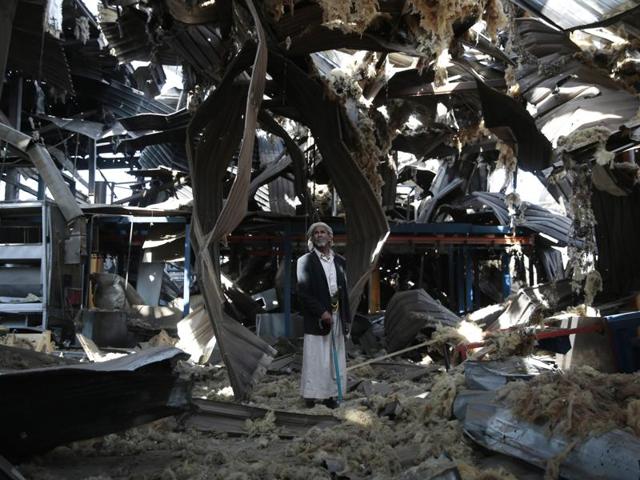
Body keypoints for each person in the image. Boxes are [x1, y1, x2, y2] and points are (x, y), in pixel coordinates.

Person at [296, 222, 350, 408]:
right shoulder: (305, 261)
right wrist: (322, 312)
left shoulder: (340, 261)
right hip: (317, 318)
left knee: (335, 358)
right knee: (316, 357)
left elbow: (344, 293)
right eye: (316, 233)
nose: (319, 235)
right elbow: (303, 293)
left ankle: (331, 396)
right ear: (312, 238)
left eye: (323, 232)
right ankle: (311, 396)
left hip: (337, 315)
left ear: (330, 237)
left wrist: (345, 318)